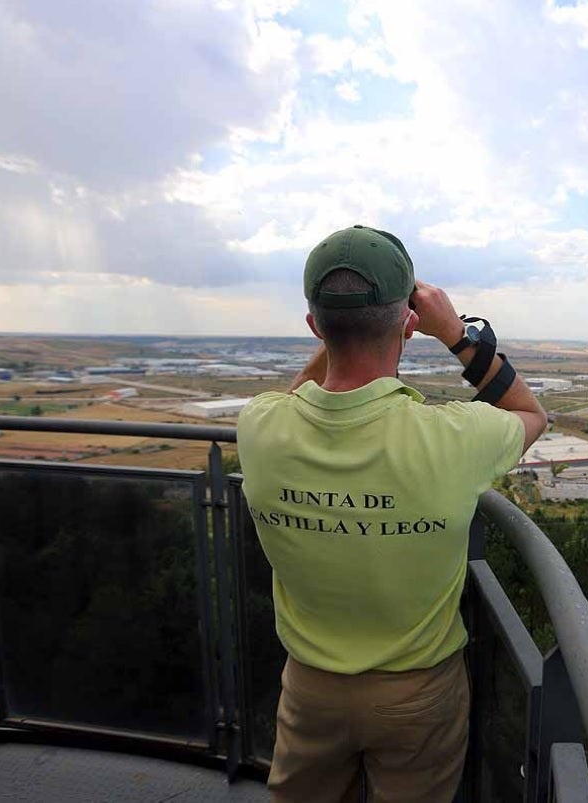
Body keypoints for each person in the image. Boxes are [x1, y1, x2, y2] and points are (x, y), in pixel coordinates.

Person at [237, 225, 547, 803]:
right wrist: (455, 334)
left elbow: (299, 395)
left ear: (314, 327)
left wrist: (338, 331)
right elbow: (529, 411)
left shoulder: (260, 428)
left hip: (309, 689)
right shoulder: (454, 436)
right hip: (419, 694)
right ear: (408, 322)